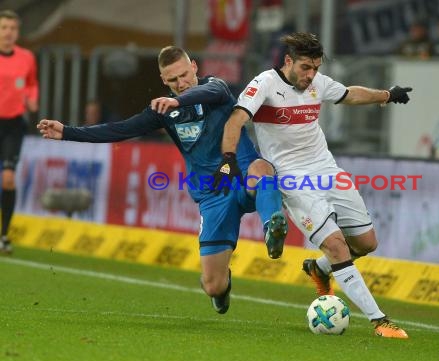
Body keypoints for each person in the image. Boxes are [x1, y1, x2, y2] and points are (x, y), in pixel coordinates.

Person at [189, 32, 412, 338]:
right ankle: (379, 321)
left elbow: (349, 94)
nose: (311, 75)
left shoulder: (317, 84)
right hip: (291, 179)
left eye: (316, 68)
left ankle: (318, 269)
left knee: (366, 243)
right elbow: (235, 121)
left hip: (327, 171)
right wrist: (228, 160)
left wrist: (387, 95)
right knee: (336, 245)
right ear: (289, 61)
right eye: (306, 67)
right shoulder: (265, 84)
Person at [37, 46, 288, 314]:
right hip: (212, 195)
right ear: (163, 80)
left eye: (184, 75)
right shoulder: (162, 109)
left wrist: (178, 101)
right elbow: (120, 129)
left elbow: (210, 92)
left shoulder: (217, 88)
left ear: (194, 66)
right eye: (172, 81)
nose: (181, 84)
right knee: (212, 284)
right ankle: (222, 288)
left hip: (240, 175)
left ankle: (272, 226)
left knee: (262, 169)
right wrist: (67, 132)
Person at [0, 10, 38, 254]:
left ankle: (4, 236)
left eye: (12, 28)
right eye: (4, 27)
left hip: (13, 124)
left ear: (18, 32)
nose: (8, 32)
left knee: (8, 179)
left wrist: (32, 99)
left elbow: (32, 83)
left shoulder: (26, 57)